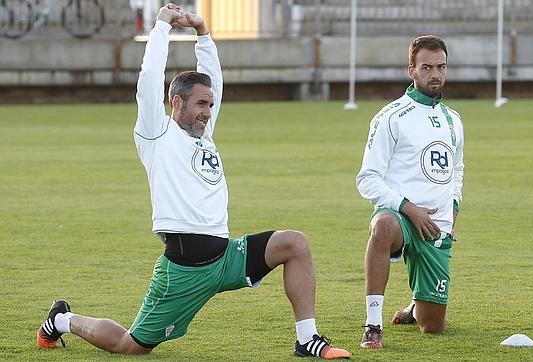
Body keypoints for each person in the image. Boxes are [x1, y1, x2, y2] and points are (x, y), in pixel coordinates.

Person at [36, 4, 350, 359]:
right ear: (176, 102)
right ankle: (62, 319)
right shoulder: (156, 134)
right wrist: (162, 27)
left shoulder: (204, 135)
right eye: (200, 104)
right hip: (184, 272)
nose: (207, 112)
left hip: (226, 258)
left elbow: (212, 76)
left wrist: (203, 33)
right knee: (132, 346)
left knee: (294, 244)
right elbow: (150, 76)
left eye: (211, 105)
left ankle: (307, 340)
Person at [355, 35, 464, 349]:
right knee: (382, 226)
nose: (435, 74)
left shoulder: (454, 121)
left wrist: (453, 208)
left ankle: (417, 307)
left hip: (436, 227)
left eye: (441, 67)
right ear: (411, 70)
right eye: (426, 66)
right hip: (401, 219)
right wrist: (407, 207)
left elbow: (456, 169)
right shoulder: (390, 118)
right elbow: (367, 179)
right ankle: (373, 325)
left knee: (433, 329)